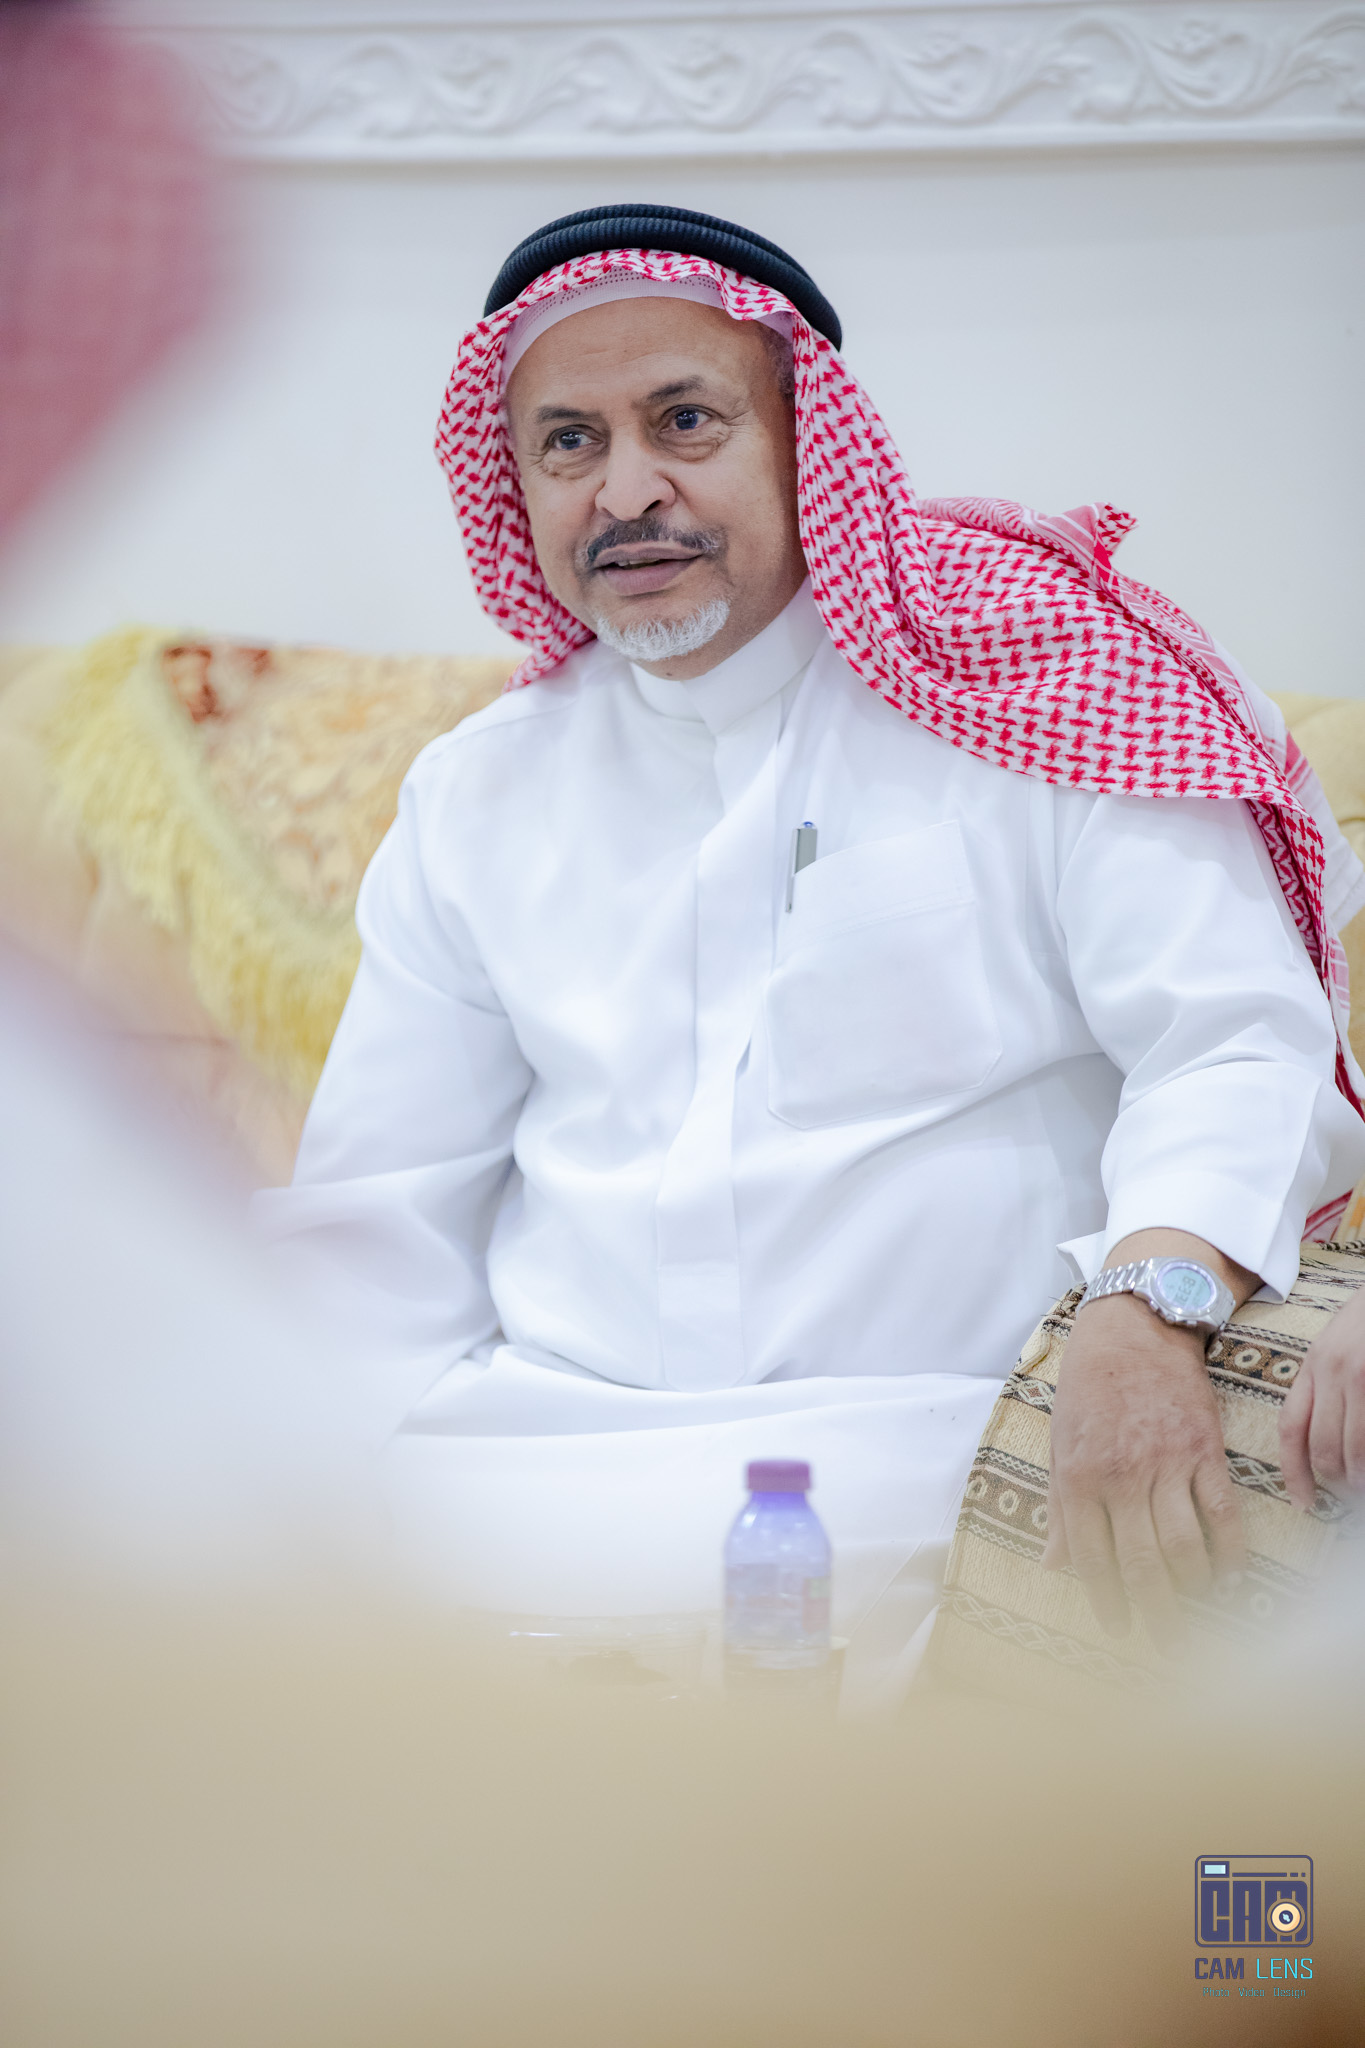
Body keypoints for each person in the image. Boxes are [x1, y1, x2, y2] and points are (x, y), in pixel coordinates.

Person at [258, 205, 1365, 1701]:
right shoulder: (478, 792)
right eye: (570, 443)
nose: (625, 491)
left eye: (685, 421)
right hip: (519, 1466)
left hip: (939, 1467)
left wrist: (1145, 1307)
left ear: (806, 442)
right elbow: (378, 1225)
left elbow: (1234, 1042)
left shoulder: (1029, 687)